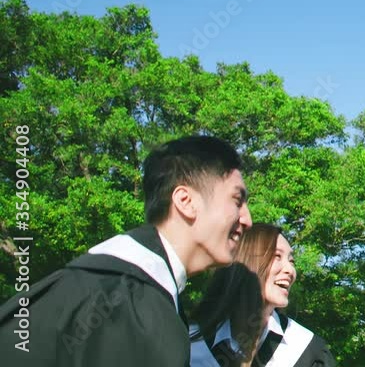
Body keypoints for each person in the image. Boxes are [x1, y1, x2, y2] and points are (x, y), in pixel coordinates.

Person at [0, 135, 253, 366]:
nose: (247, 219)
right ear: (185, 201)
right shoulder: (127, 307)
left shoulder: (114, 289)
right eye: (237, 200)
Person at [189, 223, 336, 366]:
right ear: (246, 261)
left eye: (291, 261)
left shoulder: (306, 349)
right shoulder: (191, 342)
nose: (290, 270)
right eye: (277, 256)